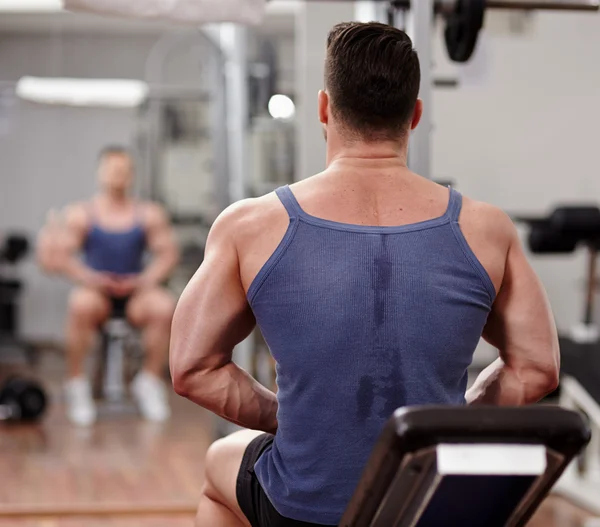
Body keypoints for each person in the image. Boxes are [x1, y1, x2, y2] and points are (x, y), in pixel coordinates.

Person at [169, 22, 560, 527]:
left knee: (218, 467)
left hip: (303, 511)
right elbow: (537, 370)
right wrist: (444, 420)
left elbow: (191, 369)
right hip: (429, 505)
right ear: (415, 115)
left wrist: (285, 418)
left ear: (324, 109)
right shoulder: (487, 228)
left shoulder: (249, 225)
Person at [38, 146, 179, 426]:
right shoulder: (82, 214)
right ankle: (77, 383)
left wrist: (143, 280)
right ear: (100, 173)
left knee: (164, 306)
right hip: (97, 292)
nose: (119, 176)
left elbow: (168, 255)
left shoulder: (148, 214)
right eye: (113, 170)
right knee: (80, 303)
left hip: (135, 292)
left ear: (132, 175)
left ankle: (148, 381)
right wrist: (92, 278)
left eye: (125, 171)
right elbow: (59, 258)